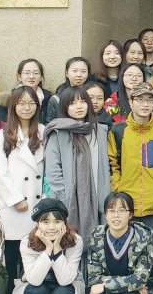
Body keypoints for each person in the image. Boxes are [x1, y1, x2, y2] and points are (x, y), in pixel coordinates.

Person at [0, 85, 46, 294]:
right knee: (12, 258)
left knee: (34, 255)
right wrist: (15, 199)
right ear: (13, 107)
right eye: (21, 103)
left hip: (38, 204)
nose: (26, 108)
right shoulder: (4, 134)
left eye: (31, 103)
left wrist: (46, 201)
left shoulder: (43, 131)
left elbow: (49, 170)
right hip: (14, 205)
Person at [77, 191, 153, 294]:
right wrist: (127, 284)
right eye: (111, 211)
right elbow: (94, 278)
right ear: (105, 215)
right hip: (118, 291)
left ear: (130, 214)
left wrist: (105, 286)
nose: (116, 215)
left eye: (122, 211)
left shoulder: (143, 237)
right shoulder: (97, 237)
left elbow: (140, 279)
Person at [9, 198, 84, 294]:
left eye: (57, 221)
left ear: (64, 223)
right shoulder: (27, 242)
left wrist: (57, 249)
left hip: (64, 286)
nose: (51, 227)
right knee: (36, 291)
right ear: (37, 224)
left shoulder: (75, 240)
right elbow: (34, 280)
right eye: (45, 222)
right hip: (38, 287)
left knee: (63, 293)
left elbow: (65, 280)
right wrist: (48, 249)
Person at [44, 85, 111, 232]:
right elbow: (53, 170)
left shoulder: (99, 130)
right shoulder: (58, 132)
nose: (79, 107)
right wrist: (65, 197)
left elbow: (105, 166)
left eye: (83, 101)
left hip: (97, 195)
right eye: (72, 103)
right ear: (64, 107)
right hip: (68, 199)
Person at [107, 82, 153, 233]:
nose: (145, 104)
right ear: (131, 102)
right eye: (140, 100)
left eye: (149, 100)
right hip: (126, 204)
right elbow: (112, 165)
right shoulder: (118, 131)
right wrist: (118, 189)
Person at [44, 57, 92, 123]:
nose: (79, 75)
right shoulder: (56, 98)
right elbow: (50, 123)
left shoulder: (93, 94)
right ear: (67, 73)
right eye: (74, 71)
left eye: (83, 71)